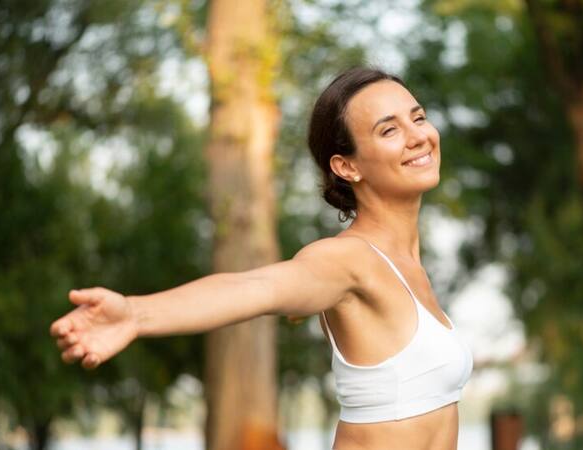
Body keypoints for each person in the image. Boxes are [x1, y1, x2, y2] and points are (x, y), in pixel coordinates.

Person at [50, 67, 473, 450]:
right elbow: (257, 288)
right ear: (347, 167)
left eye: (417, 117)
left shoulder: (407, 264)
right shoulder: (347, 259)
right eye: (388, 130)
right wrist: (136, 314)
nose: (419, 135)